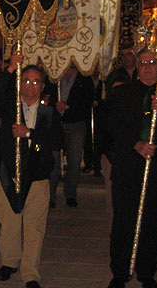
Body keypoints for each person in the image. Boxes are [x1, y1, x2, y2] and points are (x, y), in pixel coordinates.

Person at [107, 49, 157, 288]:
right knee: (124, 219)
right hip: (128, 166)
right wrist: (136, 143)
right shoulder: (122, 92)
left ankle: (147, 270)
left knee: (154, 221)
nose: (148, 67)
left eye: (153, 62)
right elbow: (111, 125)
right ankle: (120, 271)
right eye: (143, 63)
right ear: (137, 66)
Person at [0, 54, 63, 288]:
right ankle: (9, 261)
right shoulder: (10, 106)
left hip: (38, 175)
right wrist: (11, 67)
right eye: (26, 80)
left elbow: (57, 139)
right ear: (20, 83)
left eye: (35, 82)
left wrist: (29, 133)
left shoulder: (48, 112)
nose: (30, 86)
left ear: (42, 87)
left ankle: (30, 272)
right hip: (10, 172)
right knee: (9, 221)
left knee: (34, 226)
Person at [49, 63, 94, 207]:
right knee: (53, 161)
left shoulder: (84, 79)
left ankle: (70, 193)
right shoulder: (54, 77)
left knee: (74, 161)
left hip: (76, 123)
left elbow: (87, 102)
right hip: (56, 124)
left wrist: (68, 106)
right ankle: (50, 196)